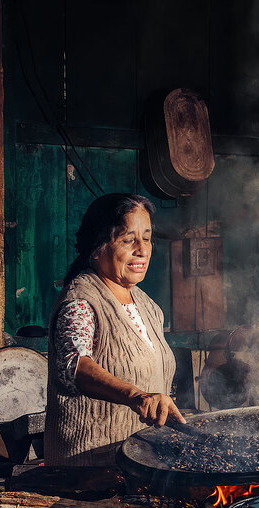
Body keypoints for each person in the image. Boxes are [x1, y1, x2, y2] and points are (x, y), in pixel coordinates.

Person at [44, 193, 184, 465]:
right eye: (128, 239)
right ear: (97, 247)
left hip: (137, 464)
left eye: (146, 237)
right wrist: (137, 396)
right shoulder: (81, 302)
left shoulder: (147, 306)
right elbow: (75, 368)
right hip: (88, 469)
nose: (142, 250)